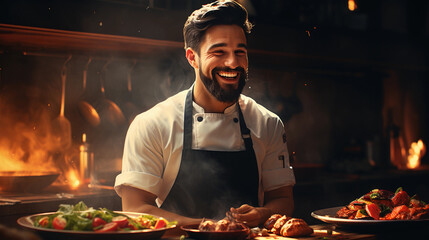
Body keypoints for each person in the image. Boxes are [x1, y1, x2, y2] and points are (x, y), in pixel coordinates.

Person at [114, 0, 295, 228]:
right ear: (192, 57)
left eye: (240, 52)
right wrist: (206, 227)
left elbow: (283, 199)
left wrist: (262, 214)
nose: (232, 62)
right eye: (219, 52)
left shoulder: (268, 124)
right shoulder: (152, 124)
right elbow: (135, 209)